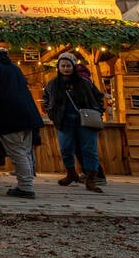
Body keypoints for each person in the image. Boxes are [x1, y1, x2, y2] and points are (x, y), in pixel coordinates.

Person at [0, 43, 44, 199]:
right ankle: (27, 183)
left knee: (17, 152)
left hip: (9, 116)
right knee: (25, 151)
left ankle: (26, 187)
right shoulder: (14, 68)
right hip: (28, 115)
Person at [42, 53, 105, 193]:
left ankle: (91, 179)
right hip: (64, 121)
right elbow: (45, 98)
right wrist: (51, 112)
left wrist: (98, 111)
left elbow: (98, 96)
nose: (65, 68)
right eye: (63, 66)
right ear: (58, 67)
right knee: (66, 148)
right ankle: (71, 173)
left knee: (89, 150)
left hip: (85, 121)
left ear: (73, 66)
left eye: (68, 66)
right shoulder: (53, 84)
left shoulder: (84, 82)